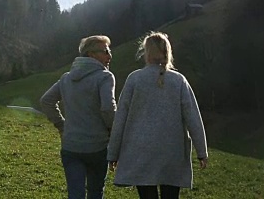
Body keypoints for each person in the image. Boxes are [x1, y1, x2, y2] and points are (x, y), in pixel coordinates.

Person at [107, 31, 208, 199]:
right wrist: (202, 151)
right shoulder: (179, 81)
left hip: (140, 151)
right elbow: (193, 117)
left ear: (146, 52)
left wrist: (113, 153)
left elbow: (121, 119)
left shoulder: (135, 79)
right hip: (172, 151)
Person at [40, 35, 117, 199]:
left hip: (70, 147)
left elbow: (46, 101)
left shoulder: (67, 78)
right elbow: (108, 108)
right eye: (105, 51)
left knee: (75, 194)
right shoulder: (104, 77)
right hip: (97, 147)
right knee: (95, 192)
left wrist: (61, 126)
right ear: (91, 54)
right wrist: (113, 131)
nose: (110, 56)